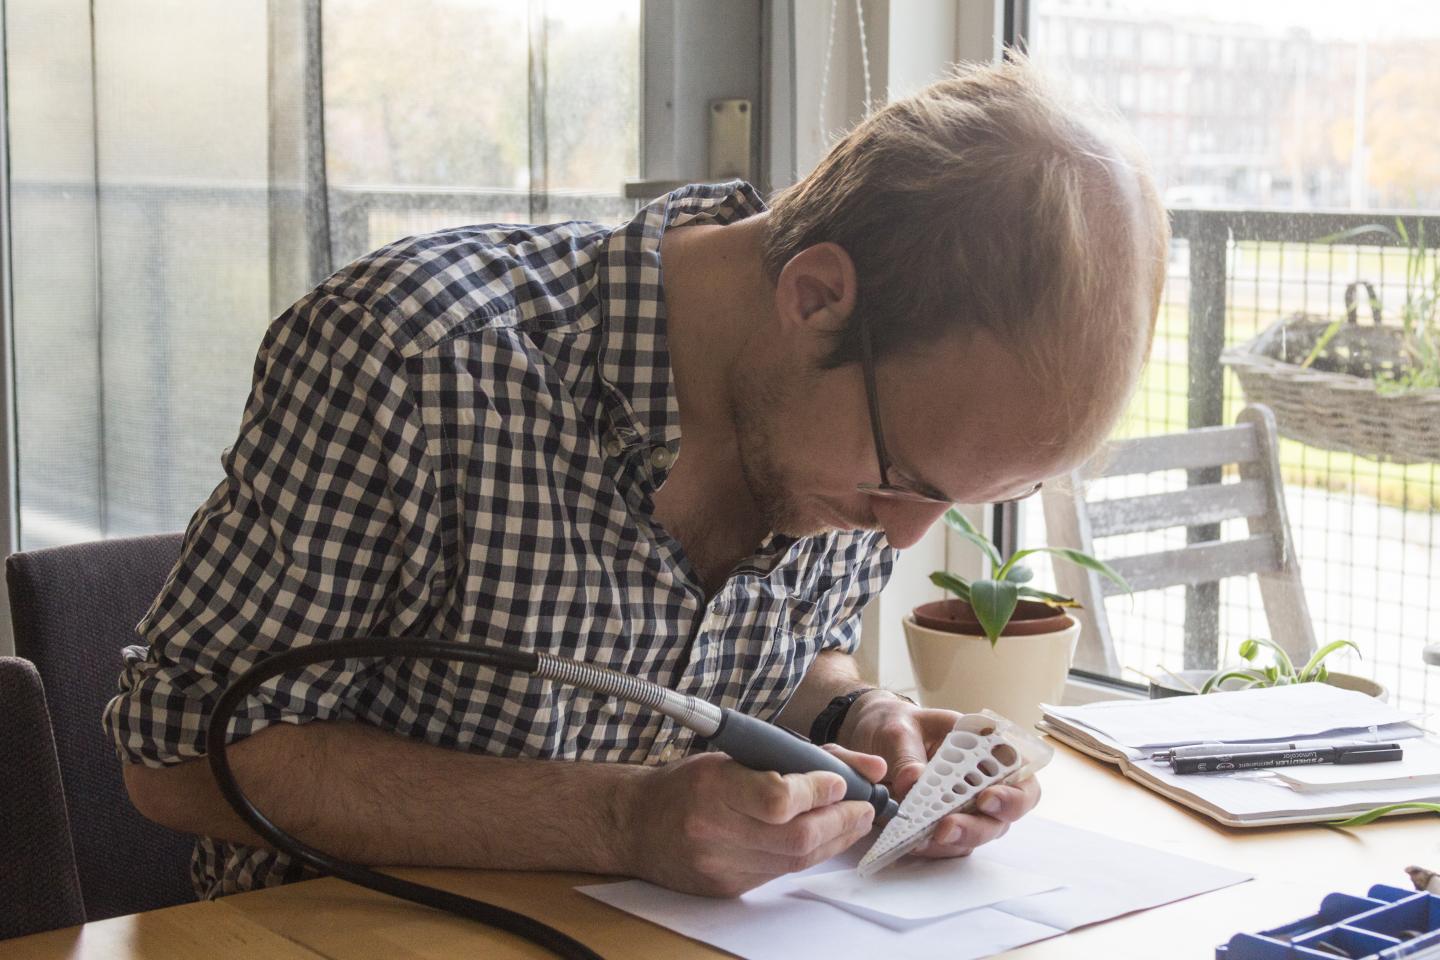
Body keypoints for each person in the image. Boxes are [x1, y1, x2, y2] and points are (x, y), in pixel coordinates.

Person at [107, 56, 1167, 900]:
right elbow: (180, 758)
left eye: (949, 499)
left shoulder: (849, 422)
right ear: (816, 297)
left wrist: (857, 725)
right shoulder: (417, 361)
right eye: (899, 478)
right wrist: (618, 818)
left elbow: (781, 666)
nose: (896, 538)